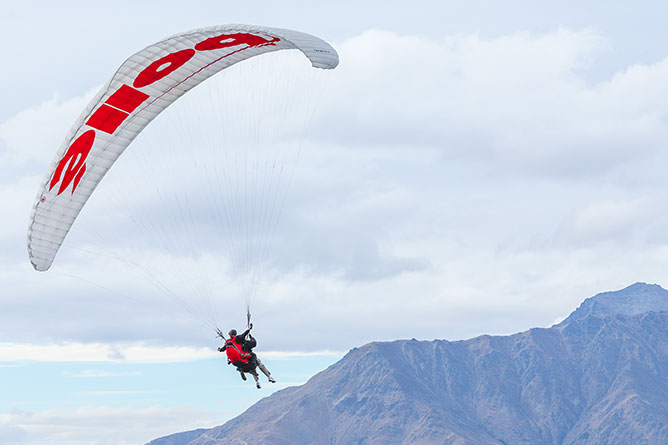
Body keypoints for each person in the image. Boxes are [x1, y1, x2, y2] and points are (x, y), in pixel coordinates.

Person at [217, 324, 275, 389]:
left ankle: (256, 380)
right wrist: (250, 332)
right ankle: (268, 377)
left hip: (239, 359)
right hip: (246, 356)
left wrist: (220, 349)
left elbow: (223, 349)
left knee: (250, 367)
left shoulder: (230, 342)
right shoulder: (239, 340)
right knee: (258, 364)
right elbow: (247, 338)